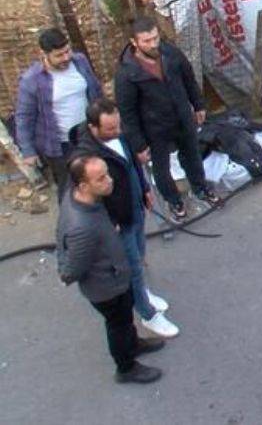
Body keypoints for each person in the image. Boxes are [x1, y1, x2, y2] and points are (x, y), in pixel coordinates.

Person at [70, 98, 178, 338]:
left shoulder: (118, 134)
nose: (117, 132)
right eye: (110, 129)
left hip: (135, 207)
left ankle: (142, 292)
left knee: (139, 256)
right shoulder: (86, 158)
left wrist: (144, 188)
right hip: (119, 220)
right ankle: (147, 314)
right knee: (132, 268)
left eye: (118, 126)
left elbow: (132, 163)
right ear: (92, 128)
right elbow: (85, 195)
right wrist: (108, 222)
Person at [57, 155, 164, 384]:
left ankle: (133, 344)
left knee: (125, 320)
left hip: (115, 278)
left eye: (107, 173)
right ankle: (126, 368)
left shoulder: (79, 198)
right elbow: (72, 269)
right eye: (101, 178)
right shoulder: (82, 227)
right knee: (118, 325)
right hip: (107, 287)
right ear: (84, 186)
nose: (110, 181)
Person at [114, 17, 217, 221]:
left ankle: (201, 188)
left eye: (155, 38)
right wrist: (139, 144)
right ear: (134, 42)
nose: (153, 44)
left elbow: (188, 78)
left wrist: (198, 105)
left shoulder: (170, 53)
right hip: (154, 129)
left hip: (182, 118)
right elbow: (127, 112)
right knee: (161, 169)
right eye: (147, 41)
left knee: (192, 156)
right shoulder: (127, 74)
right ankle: (174, 200)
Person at [15, 28, 103, 188]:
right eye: (59, 55)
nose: (66, 57)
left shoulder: (80, 61)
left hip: (90, 136)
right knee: (70, 189)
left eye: (67, 51)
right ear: (43, 54)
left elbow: (96, 91)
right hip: (61, 146)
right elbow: (24, 117)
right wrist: (28, 150)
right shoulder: (31, 80)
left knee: (99, 182)